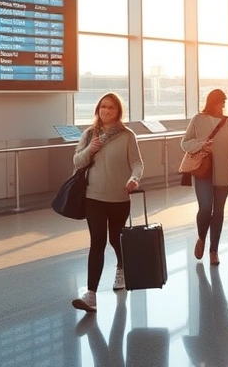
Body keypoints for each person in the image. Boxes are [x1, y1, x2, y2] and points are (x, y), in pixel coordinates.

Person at [72, 93, 144, 312]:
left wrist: (134, 179)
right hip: (93, 196)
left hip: (119, 197)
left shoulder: (127, 135)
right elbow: (77, 161)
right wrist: (90, 149)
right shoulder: (88, 134)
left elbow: (137, 163)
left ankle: (121, 266)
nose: (106, 111)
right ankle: (91, 294)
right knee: (97, 242)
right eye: (102, 106)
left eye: (111, 108)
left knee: (116, 237)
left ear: (118, 111)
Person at [181, 89, 228, 266]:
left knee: (219, 211)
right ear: (211, 102)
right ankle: (201, 237)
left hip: (224, 172)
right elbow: (184, 143)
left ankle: (214, 250)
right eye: (219, 101)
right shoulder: (198, 120)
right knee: (206, 207)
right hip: (203, 171)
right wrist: (201, 144)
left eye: (224, 102)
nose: (222, 105)